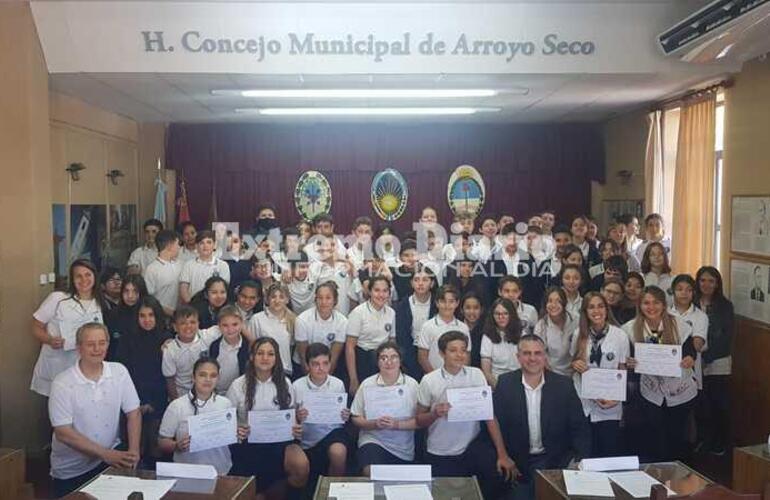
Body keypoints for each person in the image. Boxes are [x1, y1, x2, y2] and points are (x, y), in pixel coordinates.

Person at [416, 331, 515, 500]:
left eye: (463, 350)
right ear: (441, 353)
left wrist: (502, 453)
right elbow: (419, 419)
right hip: (440, 451)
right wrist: (435, 414)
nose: (459, 355)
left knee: (489, 486)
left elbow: (489, 416)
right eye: (453, 350)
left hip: (472, 447)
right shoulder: (429, 380)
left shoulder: (476, 374)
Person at [493, 334, 591, 500]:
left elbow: (579, 427)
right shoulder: (505, 383)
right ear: (518, 357)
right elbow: (496, 426)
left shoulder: (563, 385)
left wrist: (579, 460)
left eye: (537, 353)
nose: (532, 358)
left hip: (555, 461)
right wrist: (503, 456)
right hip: (517, 464)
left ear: (544, 356)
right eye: (527, 353)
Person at [48, 323, 141, 497]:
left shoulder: (119, 371)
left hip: (109, 462)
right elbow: (63, 432)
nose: (97, 349)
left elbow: (134, 413)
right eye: (90, 344)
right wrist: (105, 454)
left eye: (102, 343)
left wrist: (133, 451)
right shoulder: (62, 383)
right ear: (79, 347)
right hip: (71, 471)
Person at [624, 286, 702, 462]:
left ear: (664, 304)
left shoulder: (678, 325)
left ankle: (679, 474)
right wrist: (630, 363)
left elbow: (690, 350)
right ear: (640, 305)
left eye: (656, 302)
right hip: (650, 391)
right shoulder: (630, 328)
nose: (651, 307)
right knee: (654, 435)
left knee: (677, 435)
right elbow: (628, 359)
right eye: (646, 303)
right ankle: (657, 474)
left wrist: (690, 358)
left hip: (679, 390)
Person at [227, 338, 309, 497]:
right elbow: (228, 420)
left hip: (280, 442)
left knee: (301, 464)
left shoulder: (285, 383)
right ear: (252, 357)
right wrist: (236, 429)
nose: (265, 358)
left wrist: (296, 427)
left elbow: (291, 417)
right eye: (260, 353)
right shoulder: (238, 385)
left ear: (276, 358)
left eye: (270, 354)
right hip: (248, 443)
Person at [31, 259, 106, 397]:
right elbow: (35, 327)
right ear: (72, 279)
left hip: (86, 367)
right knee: (59, 410)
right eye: (78, 276)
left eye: (88, 274)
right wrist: (49, 340)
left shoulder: (100, 303)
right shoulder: (58, 299)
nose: (84, 279)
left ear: (95, 276)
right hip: (58, 365)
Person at [570, 292, 628, 457]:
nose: (597, 311)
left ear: (607, 309)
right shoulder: (578, 334)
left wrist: (615, 398)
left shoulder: (619, 335)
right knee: (586, 452)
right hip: (584, 401)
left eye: (600, 306)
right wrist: (575, 364)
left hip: (609, 401)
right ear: (585, 311)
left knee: (607, 451)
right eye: (591, 307)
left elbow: (622, 368)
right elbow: (573, 362)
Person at [116, 296, 172, 467]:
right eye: (142, 316)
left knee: (156, 447)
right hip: (133, 400)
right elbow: (124, 373)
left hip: (159, 398)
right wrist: (139, 401)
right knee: (135, 448)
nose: (147, 320)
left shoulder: (167, 338)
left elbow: (165, 376)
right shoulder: (127, 339)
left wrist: (152, 401)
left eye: (151, 315)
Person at [350, 341, 420, 476]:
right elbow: (355, 417)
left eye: (394, 357)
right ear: (377, 362)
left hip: (403, 448)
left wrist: (397, 424)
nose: (389, 362)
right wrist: (374, 424)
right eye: (383, 358)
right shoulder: (368, 384)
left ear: (400, 361)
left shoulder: (412, 385)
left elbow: (420, 420)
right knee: (371, 472)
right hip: (373, 440)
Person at [158, 357, 235, 475]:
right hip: (186, 471)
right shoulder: (177, 406)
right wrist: (176, 446)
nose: (208, 379)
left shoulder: (226, 403)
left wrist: (238, 434)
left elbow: (230, 437)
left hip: (221, 470)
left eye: (213, 375)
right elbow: (162, 441)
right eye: (202, 375)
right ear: (193, 377)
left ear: (218, 378)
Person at [292, 343, 350, 477]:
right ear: (307, 365)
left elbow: (341, 417)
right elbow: (290, 420)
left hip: (333, 433)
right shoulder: (297, 386)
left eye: (325, 363)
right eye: (315, 364)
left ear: (330, 364)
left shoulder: (338, 384)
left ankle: (335, 491)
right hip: (306, 439)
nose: (321, 368)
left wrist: (345, 415)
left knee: (338, 451)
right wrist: (297, 416)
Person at [695, 266, 734, 455]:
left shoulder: (725, 306)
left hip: (718, 362)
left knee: (719, 403)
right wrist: (698, 358)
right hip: (695, 361)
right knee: (702, 405)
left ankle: (720, 442)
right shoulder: (693, 303)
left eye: (711, 280)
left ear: (717, 283)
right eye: (702, 280)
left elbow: (726, 337)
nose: (706, 284)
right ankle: (704, 439)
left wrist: (707, 358)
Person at [345, 276, 396, 396]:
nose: (381, 295)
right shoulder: (358, 313)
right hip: (362, 359)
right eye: (377, 290)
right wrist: (353, 379)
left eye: (385, 291)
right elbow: (349, 347)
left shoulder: (391, 312)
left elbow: (392, 341)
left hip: (383, 360)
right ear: (370, 291)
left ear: (389, 293)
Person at [162, 305, 221, 400]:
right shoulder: (169, 349)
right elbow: (170, 379)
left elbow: (229, 322)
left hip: (207, 392)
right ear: (175, 327)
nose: (188, 326)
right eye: (183, 323)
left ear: (198, 324)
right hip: (183, 395)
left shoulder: (206, 336)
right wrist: (176, 401)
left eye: (193, 322)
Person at [394, 264, 437, 380]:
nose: (420, 283)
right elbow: (401, 337)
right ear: (412, 283)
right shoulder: (402, 306)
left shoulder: (439, 304)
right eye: (416, 280)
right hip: (410, 354)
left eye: (425, 280)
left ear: (432, 283)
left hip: (435, 352)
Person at [295, 282, 348, 376]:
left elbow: (334, 357)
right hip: (303, 366)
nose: (324, 302)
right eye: (320, 298)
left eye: (328, 298)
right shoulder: (302, 320)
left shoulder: (342, 321)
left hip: (327, 366)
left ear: (335, 301)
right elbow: (303, 356)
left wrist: (325, 379)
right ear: (315, 300)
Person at [416, 284, 471, 374]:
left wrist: (460, 374)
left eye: (451, 301)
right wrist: (435, 376)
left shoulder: (463, 327)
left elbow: (467, 355)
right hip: (434, 377)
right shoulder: (428, 326)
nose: (447, 305)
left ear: (457, 303)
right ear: (437, 303)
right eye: (443, 301)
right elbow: (422, 356)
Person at [249, 283, 297, 377]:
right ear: (267, 299)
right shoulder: (257, 319)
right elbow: (251, 347)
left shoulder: (293, 320)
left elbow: (291, 347)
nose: (277, 300)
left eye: (281, 297)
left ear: (287, 300)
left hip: (284, 370)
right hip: (262, 370)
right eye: (273, 297)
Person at [534, 287, 578, 376]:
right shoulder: (541, 326)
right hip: (551, 371)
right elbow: (540, 355)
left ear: (564, 303)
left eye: (558, 301)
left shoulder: (576, 320)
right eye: (550, 301)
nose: (553, 305)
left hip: (575, 370)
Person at [208, 305, 252, 394]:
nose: (230, 329)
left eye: (235, 324)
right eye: (225, 325)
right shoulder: (214, 346)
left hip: (240, 392)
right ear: (219, 326)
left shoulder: (247, 347)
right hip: (217, 392)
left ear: (242, 324)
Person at [179, 230, 231, 304]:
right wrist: (191, 304)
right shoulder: (188, 265)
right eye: (202, 243)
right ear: (196, 246)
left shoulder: (223, 265)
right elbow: (183, 289)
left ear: (215, 245)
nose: (205, 246)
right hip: (194, 306)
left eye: (209, 242)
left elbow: (223, 290)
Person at [104, 275, 148, 361]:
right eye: (126, 291)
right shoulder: (112, 315)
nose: (130, 296)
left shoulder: (148, 313)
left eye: (135, 291)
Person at [480, 298, 522, 388]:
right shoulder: (487, 336)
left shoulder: (522, 334)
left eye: (505, 313)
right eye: (497, 314)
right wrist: (500, 389)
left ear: (511, 314)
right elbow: (486, 372)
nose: (501, 317)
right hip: (496, 382)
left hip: (519, 381)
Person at [144, 229, 182, 317]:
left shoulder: (181, 264)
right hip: (160, 317)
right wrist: (170, 312)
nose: (179, 248)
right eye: (177, 244)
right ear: (169, 246)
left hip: (181, 316)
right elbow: (149, 299)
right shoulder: (152, 269)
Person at [641, 242, 673, 306]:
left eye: (660, 254)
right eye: (652, 254)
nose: (657, 257)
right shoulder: (641, 279)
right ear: (647, 258)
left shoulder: (672, 280)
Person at [460, 292, 485, 368]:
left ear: (481, 310)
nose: (472, 312)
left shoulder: (486, 330)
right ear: (462, 310)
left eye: (476, 308)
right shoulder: (456, 328)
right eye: (468, 308)